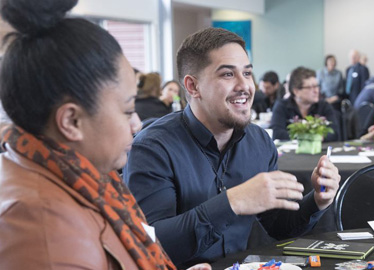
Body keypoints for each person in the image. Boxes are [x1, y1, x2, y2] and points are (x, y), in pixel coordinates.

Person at [0, 0, 199, 269]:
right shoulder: (44, 230)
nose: (137, 124)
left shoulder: (81, 178)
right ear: (72, 121)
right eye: (128, 110)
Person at [123, 28, 341, 268]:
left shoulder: (258, 142)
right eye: (228, 74)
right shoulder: (152, 148)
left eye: (247, 73)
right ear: (193, 87)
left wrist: (318, 200)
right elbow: (151, 243)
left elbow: (278, 226)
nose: (245, 85)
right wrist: (232, 202)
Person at [271, 67, 340, 142]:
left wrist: (310, 138)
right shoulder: (282, 105)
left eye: (316, 86)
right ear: (296, 91)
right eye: (310, 87)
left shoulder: (324, 106)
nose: (316, 91)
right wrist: (309, 137)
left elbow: (334, 133)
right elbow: (276, 133)